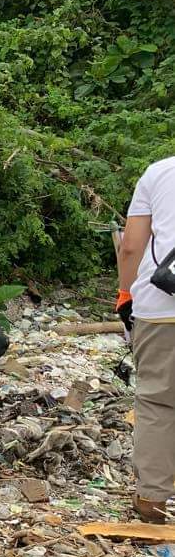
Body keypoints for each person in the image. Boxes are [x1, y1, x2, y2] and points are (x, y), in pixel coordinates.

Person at [115, 155, 175, 523]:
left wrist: (125, 295)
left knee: (157, 403)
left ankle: (152, 499)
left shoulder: (159, 172)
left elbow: (132, 246)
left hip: (161, 305)